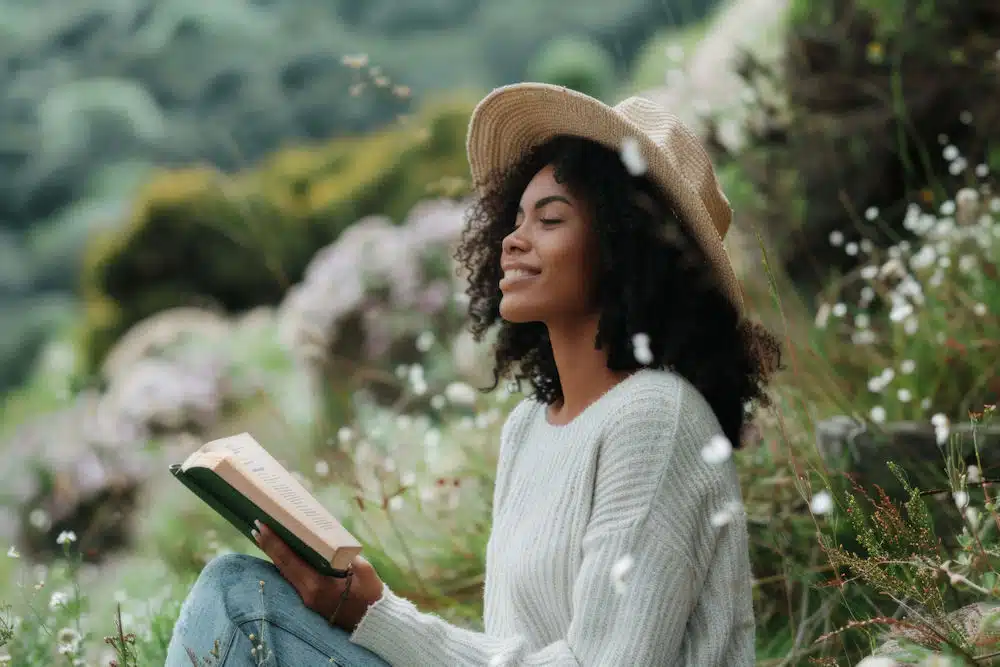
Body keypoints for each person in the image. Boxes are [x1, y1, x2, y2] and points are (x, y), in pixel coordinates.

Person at [165, 82, 781, 666]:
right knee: (240, 584)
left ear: (627, 248)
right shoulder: (527, 430)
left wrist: (379, 617)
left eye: (550, 219)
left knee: (240, 602)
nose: (512, 240)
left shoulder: (658, 417)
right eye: (515, 219)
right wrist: (357, 608)